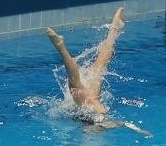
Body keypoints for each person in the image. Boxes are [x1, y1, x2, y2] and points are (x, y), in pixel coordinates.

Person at [46, 7, 153, 137]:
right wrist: (139, 130)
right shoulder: (98, 122)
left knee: (98, 67)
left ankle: (115, 28)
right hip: (93, 110)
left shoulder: (95, 118)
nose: (86, 133)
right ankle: (61, 46)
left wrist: (138, 130)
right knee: (78, 82)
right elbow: (121, 123)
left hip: (94, 108)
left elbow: (122, 123)